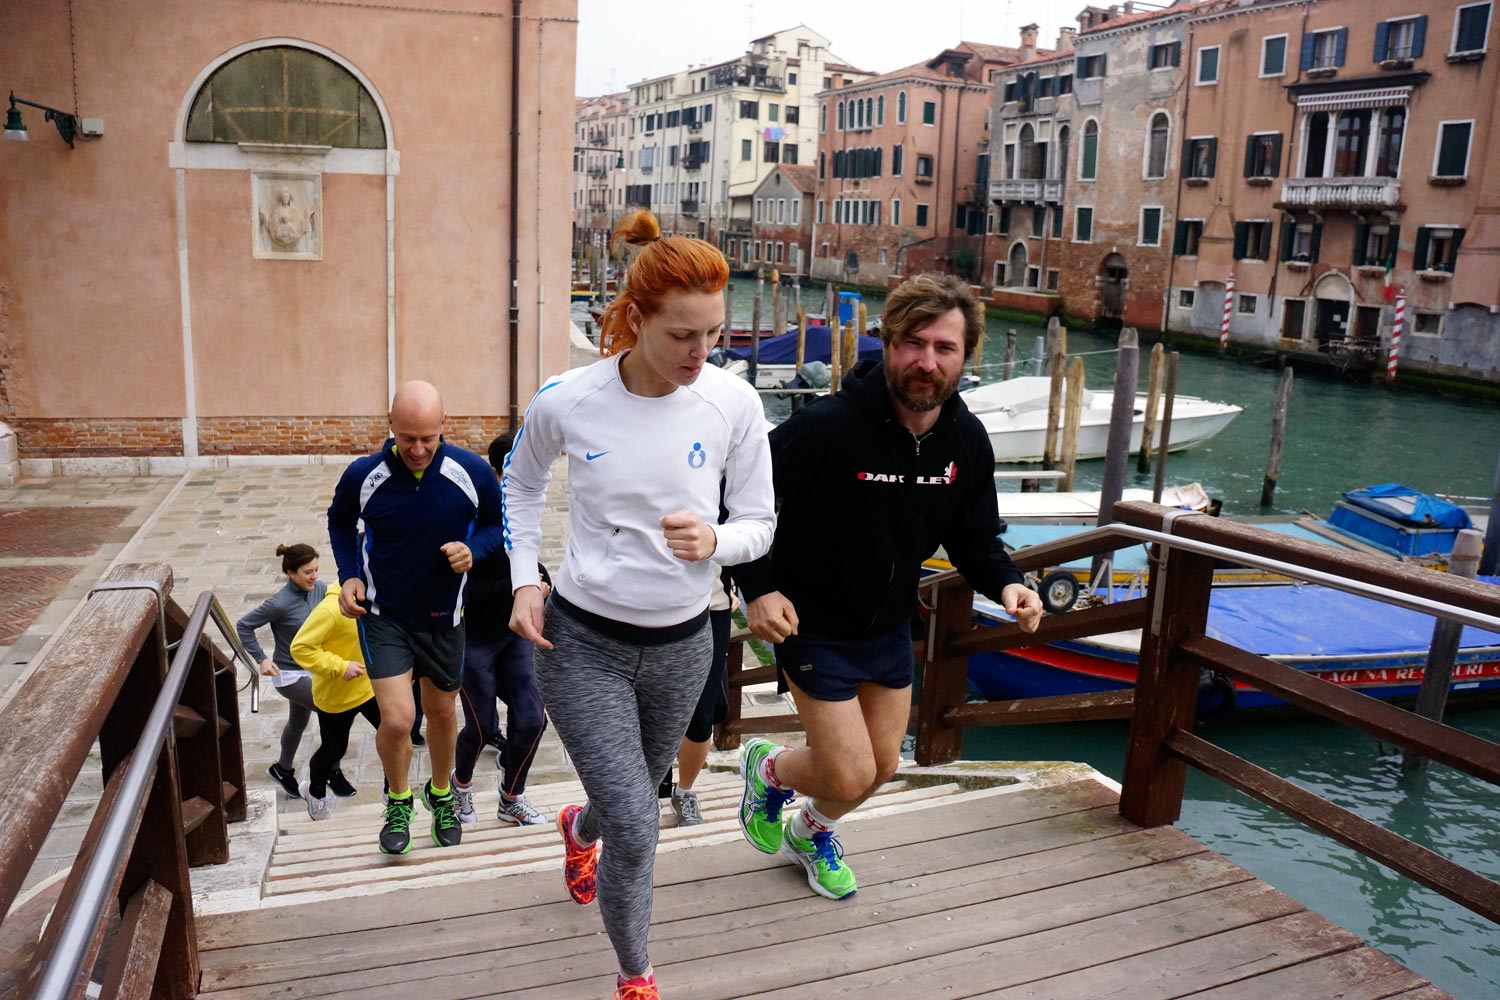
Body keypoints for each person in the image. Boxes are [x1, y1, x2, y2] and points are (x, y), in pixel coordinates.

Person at [504, 211, 775, 1000]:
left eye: (713, 335)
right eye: (682, 336)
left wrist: (716, 543)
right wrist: (526, 578)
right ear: (635, 320)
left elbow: (760, 525)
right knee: (639, 820)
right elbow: (519, 486)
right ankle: (636, 976)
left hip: (686, 645)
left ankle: (575, 830)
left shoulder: (734, 404)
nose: (701, 354)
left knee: (620, 808)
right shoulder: (567, 400)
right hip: (581, 642)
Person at [732, 272, 1044, 900]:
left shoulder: (966, 441)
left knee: (882, 768)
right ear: (888, 342)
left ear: (965, 356)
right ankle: (767, 769)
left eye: (945, 348)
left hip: (889, 628)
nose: (927, 362)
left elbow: (976, 538)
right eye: (914, 343)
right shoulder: (826, 427)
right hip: (810, 622)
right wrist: (757, 588)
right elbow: (740, 500)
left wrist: (1008, 583)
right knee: (848, 772)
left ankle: (809, 832)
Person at [327, 380, 504, 855]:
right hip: (385, 616)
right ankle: (399, 799)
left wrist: (475, 549)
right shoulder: (363, 475)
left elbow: (495, 525)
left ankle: (441, 795)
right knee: (400, 720)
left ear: (444, 426)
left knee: (444, 713)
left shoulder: (472, 472)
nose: (419, 448)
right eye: (408, 438)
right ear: (390, 426)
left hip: (445, 617)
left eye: (428, 437)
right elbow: (341, 522)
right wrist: (348, 576)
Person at [451, 433, 553, 828]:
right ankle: (459, 787)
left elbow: (533, 566)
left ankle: (511, 797)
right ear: (498, 470)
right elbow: (465, 584)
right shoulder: (471, 512)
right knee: (482, 726)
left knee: (532, 717)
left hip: (513, 636)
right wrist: (522, 589)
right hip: (472, 635)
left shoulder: (526, 504)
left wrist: (541, 584)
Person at [236, 544, 332, 800]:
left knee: (298, 721)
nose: (313, 576)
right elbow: (244, 625)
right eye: (307, 572)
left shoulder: (320, 589)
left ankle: (282, 769)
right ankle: (330, 769)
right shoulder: (278, 603)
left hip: (314, 667)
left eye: (315, 570)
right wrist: (261, 659)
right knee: (331, 709)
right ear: (291, 573)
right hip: (288, 674)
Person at [289, 582, 380, 819]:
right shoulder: (330, 609)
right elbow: (300, 648)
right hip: (335, 697)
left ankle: (395, 793)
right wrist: (339, 666)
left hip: (369, 688)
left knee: (395, 732)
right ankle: (315, 791)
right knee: (334, 749)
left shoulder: (376, 598)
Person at [669, 563, 735, 827]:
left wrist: (738, 586)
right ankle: (640, 794)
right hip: (645, 608)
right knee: (645, 709)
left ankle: (684, 792)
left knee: (701, 714)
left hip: (711, 606)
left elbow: (742, 533)